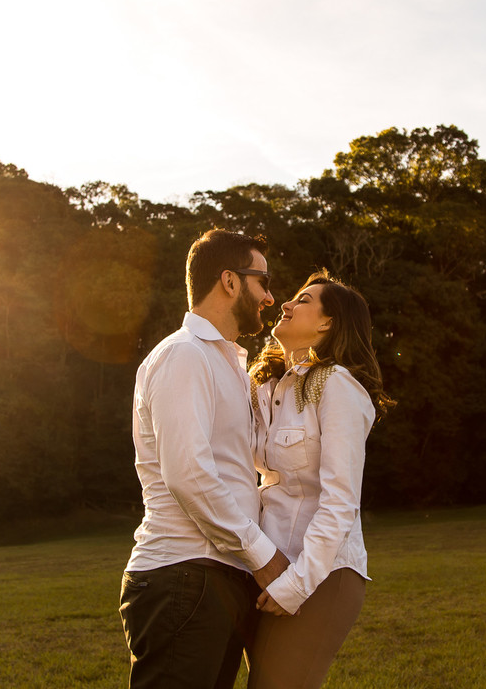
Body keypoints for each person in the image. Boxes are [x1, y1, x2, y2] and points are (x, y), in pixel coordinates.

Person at [119, 229, 292, 689]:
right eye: (263, 282)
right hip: (184, 575)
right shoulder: (184, 356)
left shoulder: (229, 364)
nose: (271, 297)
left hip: (217, 576)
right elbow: (188, 474)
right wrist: (264, 556)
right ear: (230, 281)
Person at [246, 270, 396, 689]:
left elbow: (340, 503)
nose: (288, 304)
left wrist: (294, 585)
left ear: (328, 324)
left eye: (304, 300)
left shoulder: (338, 387)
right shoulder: (266, 388)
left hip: (322, 576)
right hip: (266, 572)